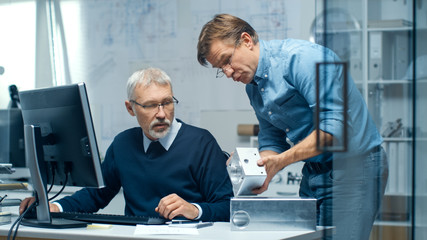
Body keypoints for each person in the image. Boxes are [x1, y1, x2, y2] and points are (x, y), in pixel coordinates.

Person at [197, 14, 388, 239]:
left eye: (227, 60)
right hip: (315, 173)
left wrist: (281, 161)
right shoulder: (253, 87)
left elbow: (334, 131)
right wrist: (260, 170)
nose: (228, 72)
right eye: (221, 68)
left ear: (247, 40)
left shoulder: (304, 59)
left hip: (356, 167)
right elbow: (271, 139)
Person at [19, 67, 233, 222]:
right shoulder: (123, 144)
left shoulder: (201, 143)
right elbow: (95, 195)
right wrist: (54, 206)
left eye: (167, 103)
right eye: (150, 106)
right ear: (130, 108)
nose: (161, 114)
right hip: (133, 237)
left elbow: (227, 206)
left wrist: (194, 210)